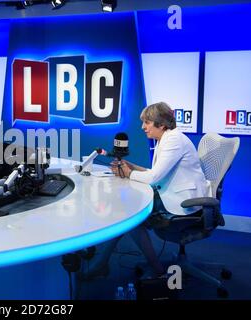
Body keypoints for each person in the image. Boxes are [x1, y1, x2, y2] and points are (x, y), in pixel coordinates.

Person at [80, 102, 210, 279]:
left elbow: (153, 178)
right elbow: (155, 173)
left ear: (161, 124)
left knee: (131, 218)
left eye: (147, 123)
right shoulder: (166, 138)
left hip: (184, 204)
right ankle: (102, 263)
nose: (143, 127)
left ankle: (157, 270)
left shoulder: (173, 140)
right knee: (125, 214)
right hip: (173, 194)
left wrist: (128, 173)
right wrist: (132, 167)